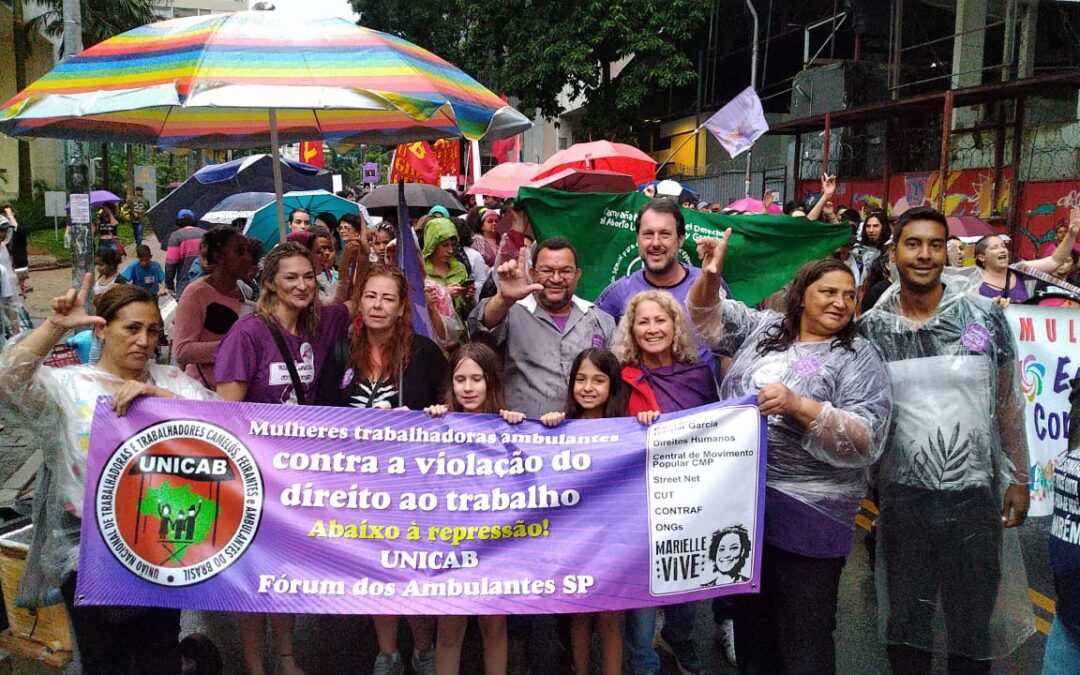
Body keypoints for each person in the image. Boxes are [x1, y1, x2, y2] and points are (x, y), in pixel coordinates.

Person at [688, 234, 892, 674]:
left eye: (850, 295)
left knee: (805, 638)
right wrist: (709, 277)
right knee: (753, 631)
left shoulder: (857, 357)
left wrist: (801, 405)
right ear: (801, 296)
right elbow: (706, 316)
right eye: (828, 292)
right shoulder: (764, 331)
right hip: (746, 511)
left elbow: (867, 438)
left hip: (811, 522)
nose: (841, 303)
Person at [0, 279, 217, 673]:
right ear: (101, 328)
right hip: (90, 554)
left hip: (163, 548)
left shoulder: (172, 383)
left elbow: (224, 435)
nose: (144, 340)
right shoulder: (69, 387)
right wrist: (54, 328)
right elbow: (9, 382)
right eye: (131, 328)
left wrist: (162, 403)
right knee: (105, 662)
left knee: (160, 656)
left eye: (153, 330)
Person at [859, 206, 1034, 674]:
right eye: (913, 243)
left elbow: (1008, 404)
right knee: (907, 626)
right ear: (893, 253)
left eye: (936, 244)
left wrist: (1018, 477)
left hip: (975, 496)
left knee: (971, 626)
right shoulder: (873, 330)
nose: (925, 255)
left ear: (949, 253)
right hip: (903, 500)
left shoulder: (982, 319)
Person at [215, 242, 353, 675]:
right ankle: (256, 665)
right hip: (255, 474)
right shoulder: (248, 333)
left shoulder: (319, 324)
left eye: (309, 276)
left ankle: (287, 657)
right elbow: (226, 411)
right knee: (254, 574)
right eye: (290, 277)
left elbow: (357, 299)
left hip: (298, 475)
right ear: (269, 282)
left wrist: (355, 257)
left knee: (285, 570)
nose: (302, 285)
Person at [316, 265, 442, 674]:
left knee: (411, 570)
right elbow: (321, 417)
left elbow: (453, 409)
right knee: (376, 570)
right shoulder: (340, 351)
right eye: (371, 296)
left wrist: (424, 416)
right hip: (357, 487)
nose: (377, 306)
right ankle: (386, 652)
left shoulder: (424, 354)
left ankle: (424, 648)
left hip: (412, 485)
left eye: (388, 298)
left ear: (402, 306)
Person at [608, 289, 716, 675]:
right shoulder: (619, 377)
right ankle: (643, 661)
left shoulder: (699, 374)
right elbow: (601, 431)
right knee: (643, 592)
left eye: (661, 320)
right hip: (637, 501)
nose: (653, 328)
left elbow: (719, 431)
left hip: (689, 497)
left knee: (687, 582)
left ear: (675, 325)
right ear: (631, 331)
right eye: (643, 321)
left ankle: (679, 637)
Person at [424, 342, 523, 675]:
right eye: (460, 379)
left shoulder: (512, 426)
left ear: (491, 382)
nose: (468, 388)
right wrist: (428, 420)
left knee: (493, 628)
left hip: (496, 545)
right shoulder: (437, 424)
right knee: (450, 629)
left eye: (477, 379)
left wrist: (522, 428)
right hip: (451, 543)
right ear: (450, 383)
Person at [540, 347, 627, 675]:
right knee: (577, 616)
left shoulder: (627, 428)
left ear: (612, 386)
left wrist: (647, 422)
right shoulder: (561, 426)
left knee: (608, 619)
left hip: (612, 542)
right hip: (574, 542)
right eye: (581, 380)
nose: (588, 388)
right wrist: (548, 426)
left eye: (598, 380)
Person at [469, 239, 617, 419]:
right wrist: (503, 299)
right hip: (524, 436)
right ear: (532, 273)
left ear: (577, 275)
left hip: (583, 437)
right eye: (546, 270)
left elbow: (617, 382)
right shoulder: (510, 312)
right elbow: (478, 333)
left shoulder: (600, 320)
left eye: (565, 271)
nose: (556, 279)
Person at [595, 198, 730, 373]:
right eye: (648, 234)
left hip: (704, 398)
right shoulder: (617, 294)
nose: (656, 243)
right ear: (638, 240)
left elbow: (731, 350)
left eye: (665, 234)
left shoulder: (709, 284)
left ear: (680, 239)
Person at [173, 228, 254, 389]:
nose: (248, 258)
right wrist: (234, 346)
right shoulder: (195, 294)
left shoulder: (246, 291)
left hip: (240, 388)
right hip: (203, 392)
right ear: (219, 256)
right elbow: (182, 350)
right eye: (239, 251)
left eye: (248, 251)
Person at [975, 210, 1079, 306]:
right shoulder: (973, 282)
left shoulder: (1018, 269)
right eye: (995, 247)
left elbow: (1055, 261)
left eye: (1003, 246)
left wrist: (1071, 234)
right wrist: (991, 305)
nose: (1003, 250)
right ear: (982, 257)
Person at [422, 217, 473, 321]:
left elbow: (468, 313)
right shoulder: (420, 271)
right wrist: (445, 294)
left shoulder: (459, 269)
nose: (450, 250)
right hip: (433, 331)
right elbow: (417, 308)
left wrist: (468, 298)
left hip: (459, 332)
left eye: (453, 245)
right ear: (433, 244)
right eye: (445, 245)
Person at [165, 208, 207, 299]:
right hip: (206, 281)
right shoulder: (205, 234)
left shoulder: (175, 236)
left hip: (185, 283)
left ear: (178, 222)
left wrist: (170, 284)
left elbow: (171, 263)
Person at [310, 225, 339, 305]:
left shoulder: (335, 275)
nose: (327, 253)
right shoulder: (302, 281)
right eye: (321, 249)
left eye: (330, 249)